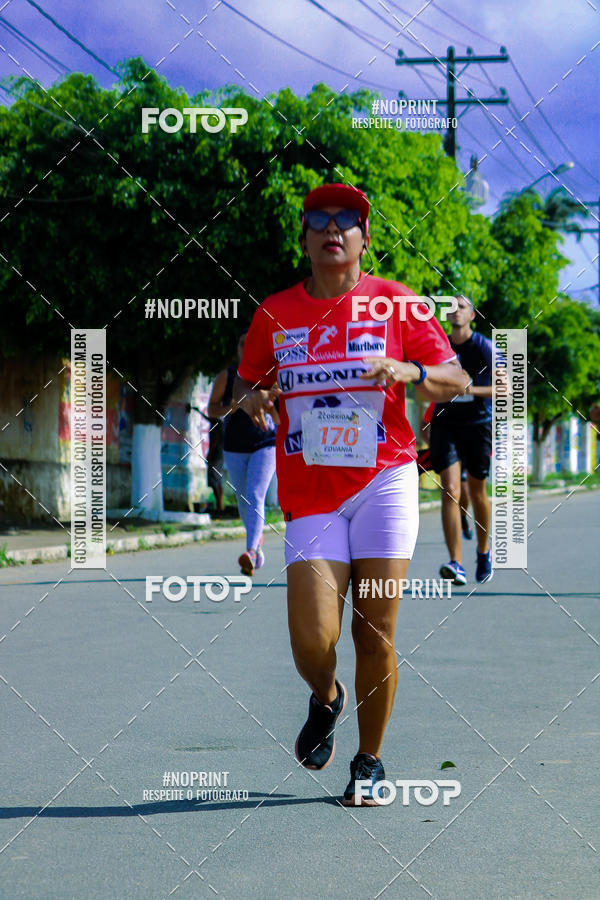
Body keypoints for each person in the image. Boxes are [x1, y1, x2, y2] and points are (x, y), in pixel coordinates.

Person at [233, 183, 469, 805]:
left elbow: (456, 377)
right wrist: (254, 398)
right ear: (304, 237)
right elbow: (245, 384)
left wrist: (409, 370)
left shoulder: (396, 303)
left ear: (365, 238)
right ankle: (326, 696)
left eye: (347, 219)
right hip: (311, 491)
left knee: (375, 629)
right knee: (312, 639)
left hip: (384, 481)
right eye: (319, 219)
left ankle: (369, 760)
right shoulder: (275, 312)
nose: (333, 228)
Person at [429, 295, 494, 585]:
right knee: (451, 489)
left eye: (462, 307)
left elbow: (505, 388)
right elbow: (426, 381)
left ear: (472, 315)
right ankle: (456, 563)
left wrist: (469, 390)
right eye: (451, 307)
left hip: (478, 424)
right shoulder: (438, 345)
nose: (455, 311)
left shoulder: (484, 346)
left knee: (477, 492)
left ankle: (483, 551)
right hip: (445, 423)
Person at [207, 333, 277, 576]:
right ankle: (256, 544)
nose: (246, 348)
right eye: (241, 344)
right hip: (234, 446)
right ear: (237, 349)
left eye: (251, 344)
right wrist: (231, 408)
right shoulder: (227, 377)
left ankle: (251, 552)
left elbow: (283, 406)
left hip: (265, 442)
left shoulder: (271, 373)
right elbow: (212, 409)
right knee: (243, 500)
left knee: (255, 494)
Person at [419, 402, 472, 539]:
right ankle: (453, 543)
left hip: (465, 453)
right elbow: (423, 427)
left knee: (465, 491)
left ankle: (463, 517)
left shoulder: (472, 402)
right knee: (451, 490)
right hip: (446, 453)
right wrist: (435, 446)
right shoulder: (438, 402)